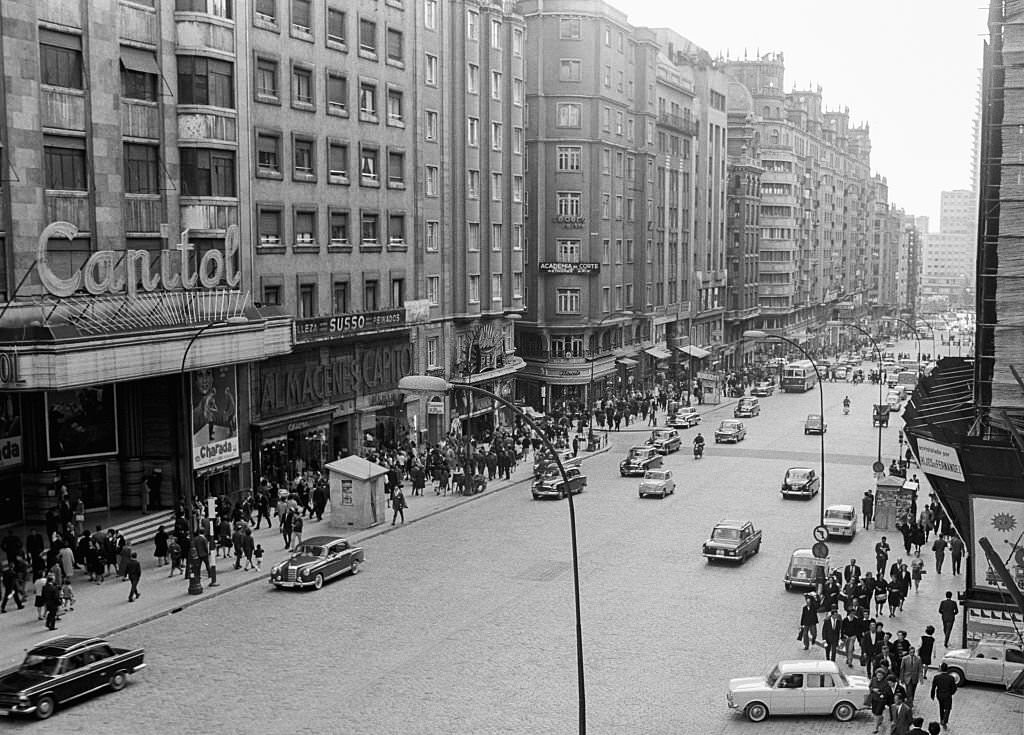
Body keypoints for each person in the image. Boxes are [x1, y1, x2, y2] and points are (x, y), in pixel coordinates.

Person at [930, 663, 958, 728]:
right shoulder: (951, 678)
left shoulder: (936, 677)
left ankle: (941, 719)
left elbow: (933, 687)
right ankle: (944, 720)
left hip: (939, 695)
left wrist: (932, 695)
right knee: (948, 708)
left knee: (941, 707)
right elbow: (954, 688)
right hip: (947, 695)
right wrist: (951, 693)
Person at [868, 668, 893, 734]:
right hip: (874, 699)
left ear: (883, 675)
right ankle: (880, 719)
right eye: (878, 675)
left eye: (880, 675)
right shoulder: (873, 679)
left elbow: (887, 691)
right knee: (874, 712)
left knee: (877, 713)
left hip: (881, 700)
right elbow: (870, 687)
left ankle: (876, 728)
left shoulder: (885, 682)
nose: (879, 676)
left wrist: (881, 693)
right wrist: (873, 690)